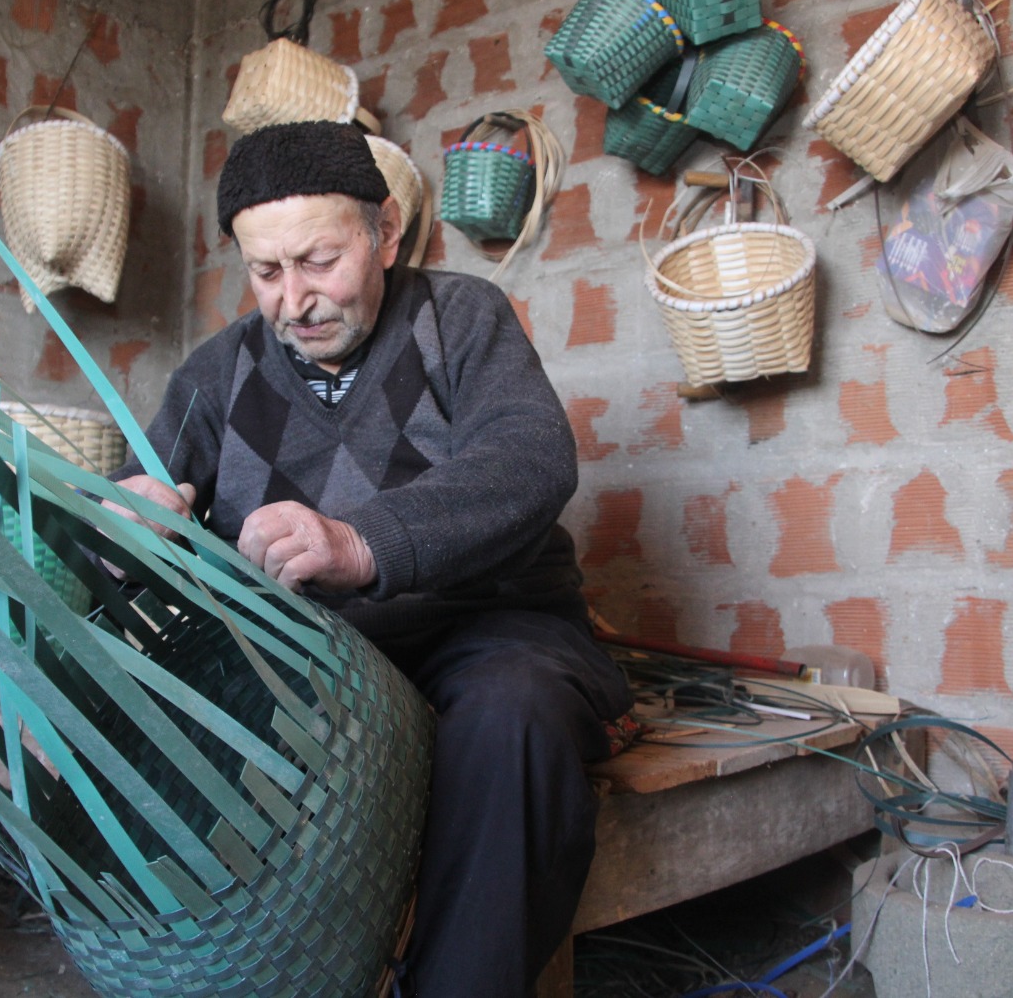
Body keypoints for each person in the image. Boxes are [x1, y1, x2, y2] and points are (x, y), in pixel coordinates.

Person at [106, 120, 633, 997]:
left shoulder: (459, 319)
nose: (293, 299)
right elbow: (132, 497)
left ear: (386, 233)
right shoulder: (214, 374)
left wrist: (361, 543)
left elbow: (531, 459)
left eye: (319, 261)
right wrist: (127, 529)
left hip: (488, 636)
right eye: (265, 273)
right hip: (307, 672)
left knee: (513, 716)